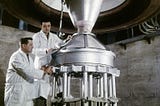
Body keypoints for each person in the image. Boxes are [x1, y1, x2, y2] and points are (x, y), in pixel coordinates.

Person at [4, 37, 53, 106]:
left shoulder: (29, 58)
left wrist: (42, 70)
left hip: (26, 92)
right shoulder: (16, 57)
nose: (33, 46)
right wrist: (44, 71)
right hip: (15, 92)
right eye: (30, 44)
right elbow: (27, 70)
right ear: (23, 45)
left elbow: (31, 73)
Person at [32, 20, 63, 105]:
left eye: (49, 26)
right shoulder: (36, 36)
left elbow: (61, 44)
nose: (47, 28)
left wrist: (67, 40)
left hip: (51, 65)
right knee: (40, 90)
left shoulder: (53, 36)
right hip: (41, 65)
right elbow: (33, 50)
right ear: (41, 26)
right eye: (44, 26)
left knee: (53, 89)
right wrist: (45, 51)